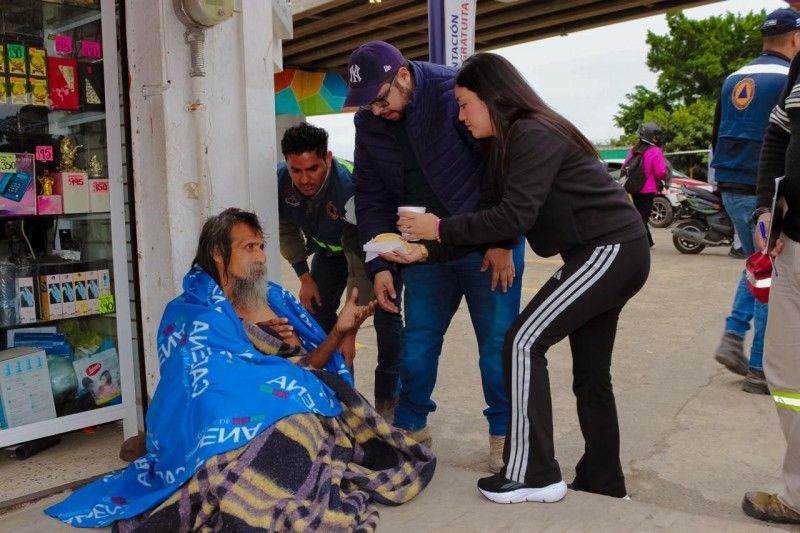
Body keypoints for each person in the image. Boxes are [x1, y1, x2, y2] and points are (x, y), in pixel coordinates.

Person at [45, 208, 435, 530]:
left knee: (296, 427)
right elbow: (197, 381)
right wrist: (254, 349)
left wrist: (339, 331)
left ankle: (255, 501)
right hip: (221, 417)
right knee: (226, 452)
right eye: (249, 247)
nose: (261, 256)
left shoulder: (278, 301)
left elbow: (308, 370)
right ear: (219, 254)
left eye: (262, 246)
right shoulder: (191, 312)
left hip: (289, 407)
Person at [389, 52, 649, 504]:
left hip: (611, 249)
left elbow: (515, 216)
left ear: (492, 97)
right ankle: (604, 483)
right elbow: (492, 223)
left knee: (523, 342)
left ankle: (534, 473)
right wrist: (426, 248)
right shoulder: (503, 146)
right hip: (608, 251)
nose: (461, 115)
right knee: (591, 376)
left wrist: (439, 227)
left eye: (465, 104)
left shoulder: (532, 132)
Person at [344, 40, 525, 473]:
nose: (377, 111)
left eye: (381, 100)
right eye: (367, 105)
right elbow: (370, 195)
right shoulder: (371, 122)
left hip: (486, 246)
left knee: (496, 347)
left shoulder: (454, 92)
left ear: (403, 76)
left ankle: (505, 435)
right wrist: (381, 263)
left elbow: (504, 160)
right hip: (423, 251)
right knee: (419, 344)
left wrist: (503, 239)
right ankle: (411, 427)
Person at [278, 122, 402, 418]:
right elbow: (285, 229)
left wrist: (351, 328)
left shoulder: (350, 186)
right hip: (328, 250)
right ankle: (342, 395)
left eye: (313, 169)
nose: (304, 179)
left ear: (328, 158)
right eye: (297, 170)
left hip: (371, 249)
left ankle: (388, 404)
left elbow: (358, 260)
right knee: (317, 311)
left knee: (386, 320)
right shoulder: (281, 181)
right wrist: (304, 276)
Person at [710, 8, 800, 395]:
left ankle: (734, 333)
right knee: (770, 274)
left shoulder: (734, 78)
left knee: (758, 264)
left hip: (731, 185)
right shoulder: (788, 76)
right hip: (761, 191)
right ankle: (760, 367)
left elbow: (716, 134)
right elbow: (779, 137)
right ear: (794, 39)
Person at [741, 46, 800, 526]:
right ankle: (799, 492)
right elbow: (778, 135)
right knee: (784, 374)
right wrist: (767, 208)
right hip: (793, 247)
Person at [623, 122, 668, 248]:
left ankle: (648, 242)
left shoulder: (633, 150)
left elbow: (624, 167)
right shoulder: (655, 151)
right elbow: (660, 172)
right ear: (652, 136)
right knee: (642, 217)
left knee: (639, 215)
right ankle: (636, 242)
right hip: (648, 189)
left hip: (633, 187)